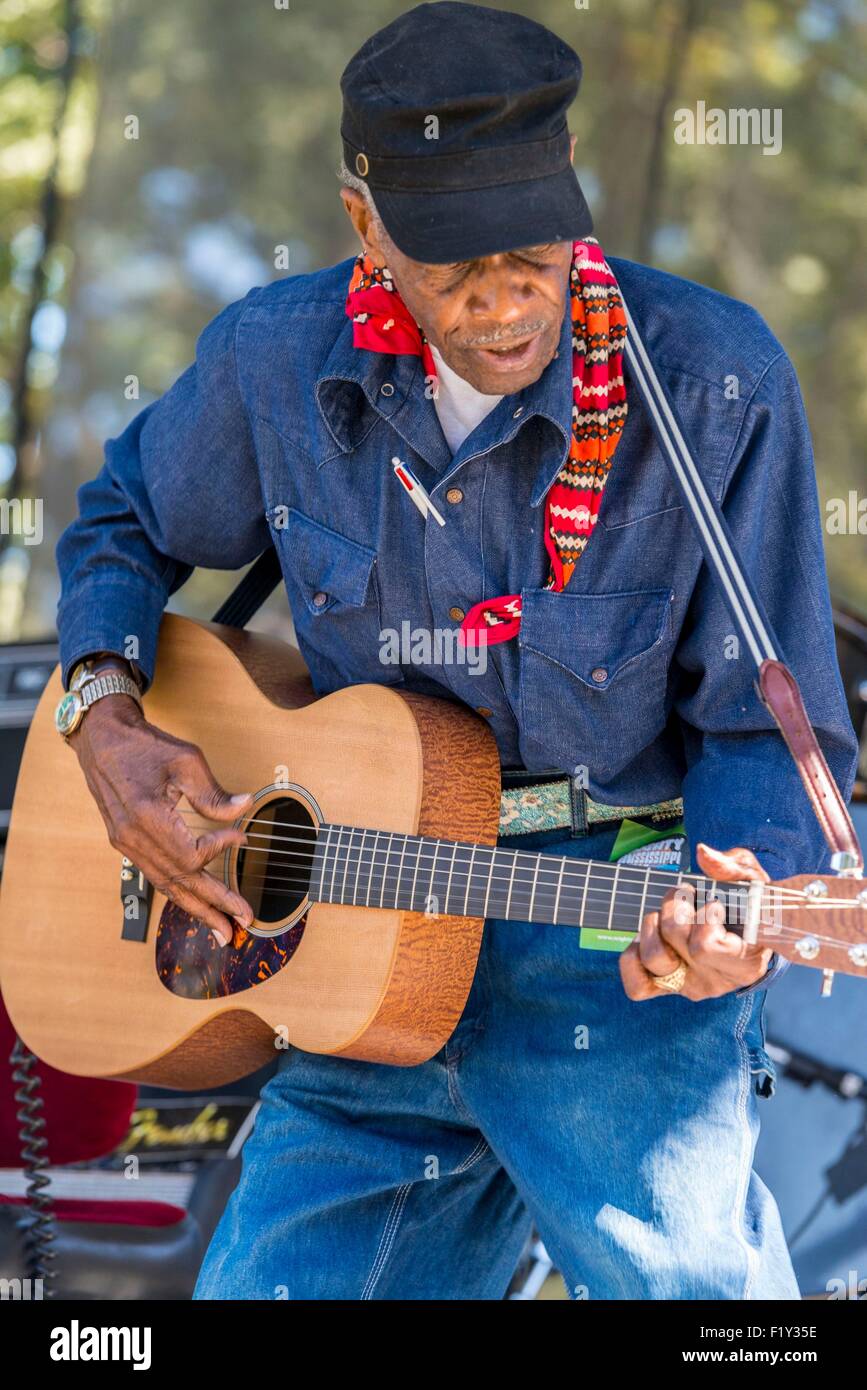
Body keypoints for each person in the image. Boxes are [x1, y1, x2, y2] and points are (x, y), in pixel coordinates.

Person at [55, 3, 858, 1299]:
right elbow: (122, 522)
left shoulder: (714, 383)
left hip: (605, 946)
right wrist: (101, 711)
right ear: (363, 222)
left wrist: (748, 902)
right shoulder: (276, 355)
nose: (503, 294)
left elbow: (770, 732)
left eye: (534, 238)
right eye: (450, 256)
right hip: (353, 957)